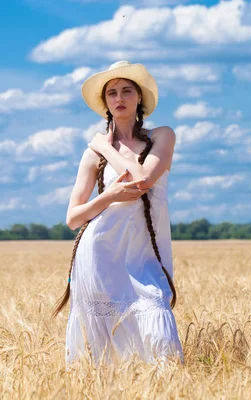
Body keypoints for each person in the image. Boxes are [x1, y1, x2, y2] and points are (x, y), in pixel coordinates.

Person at [52, 60, 184, 366]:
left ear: (140, 99)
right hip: (100, 252)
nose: (119, 98)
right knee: (104, 349)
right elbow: (73, 218)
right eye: (112, 93)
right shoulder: (91, 155)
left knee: (156, 313)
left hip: (144, 251)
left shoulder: (161, 137)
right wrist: (109, 195)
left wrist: (106, 146)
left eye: (127, 91)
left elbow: (141, 182)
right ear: (105, 103)